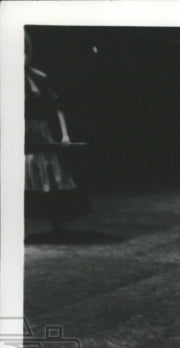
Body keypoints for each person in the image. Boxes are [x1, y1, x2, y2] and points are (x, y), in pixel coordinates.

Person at [24, 30, 90, 238]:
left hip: (40, 132)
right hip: (16, 131)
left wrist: (65, 135)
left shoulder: (39, 77)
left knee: (49, 175)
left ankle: (55, 221)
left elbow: (56, 108)